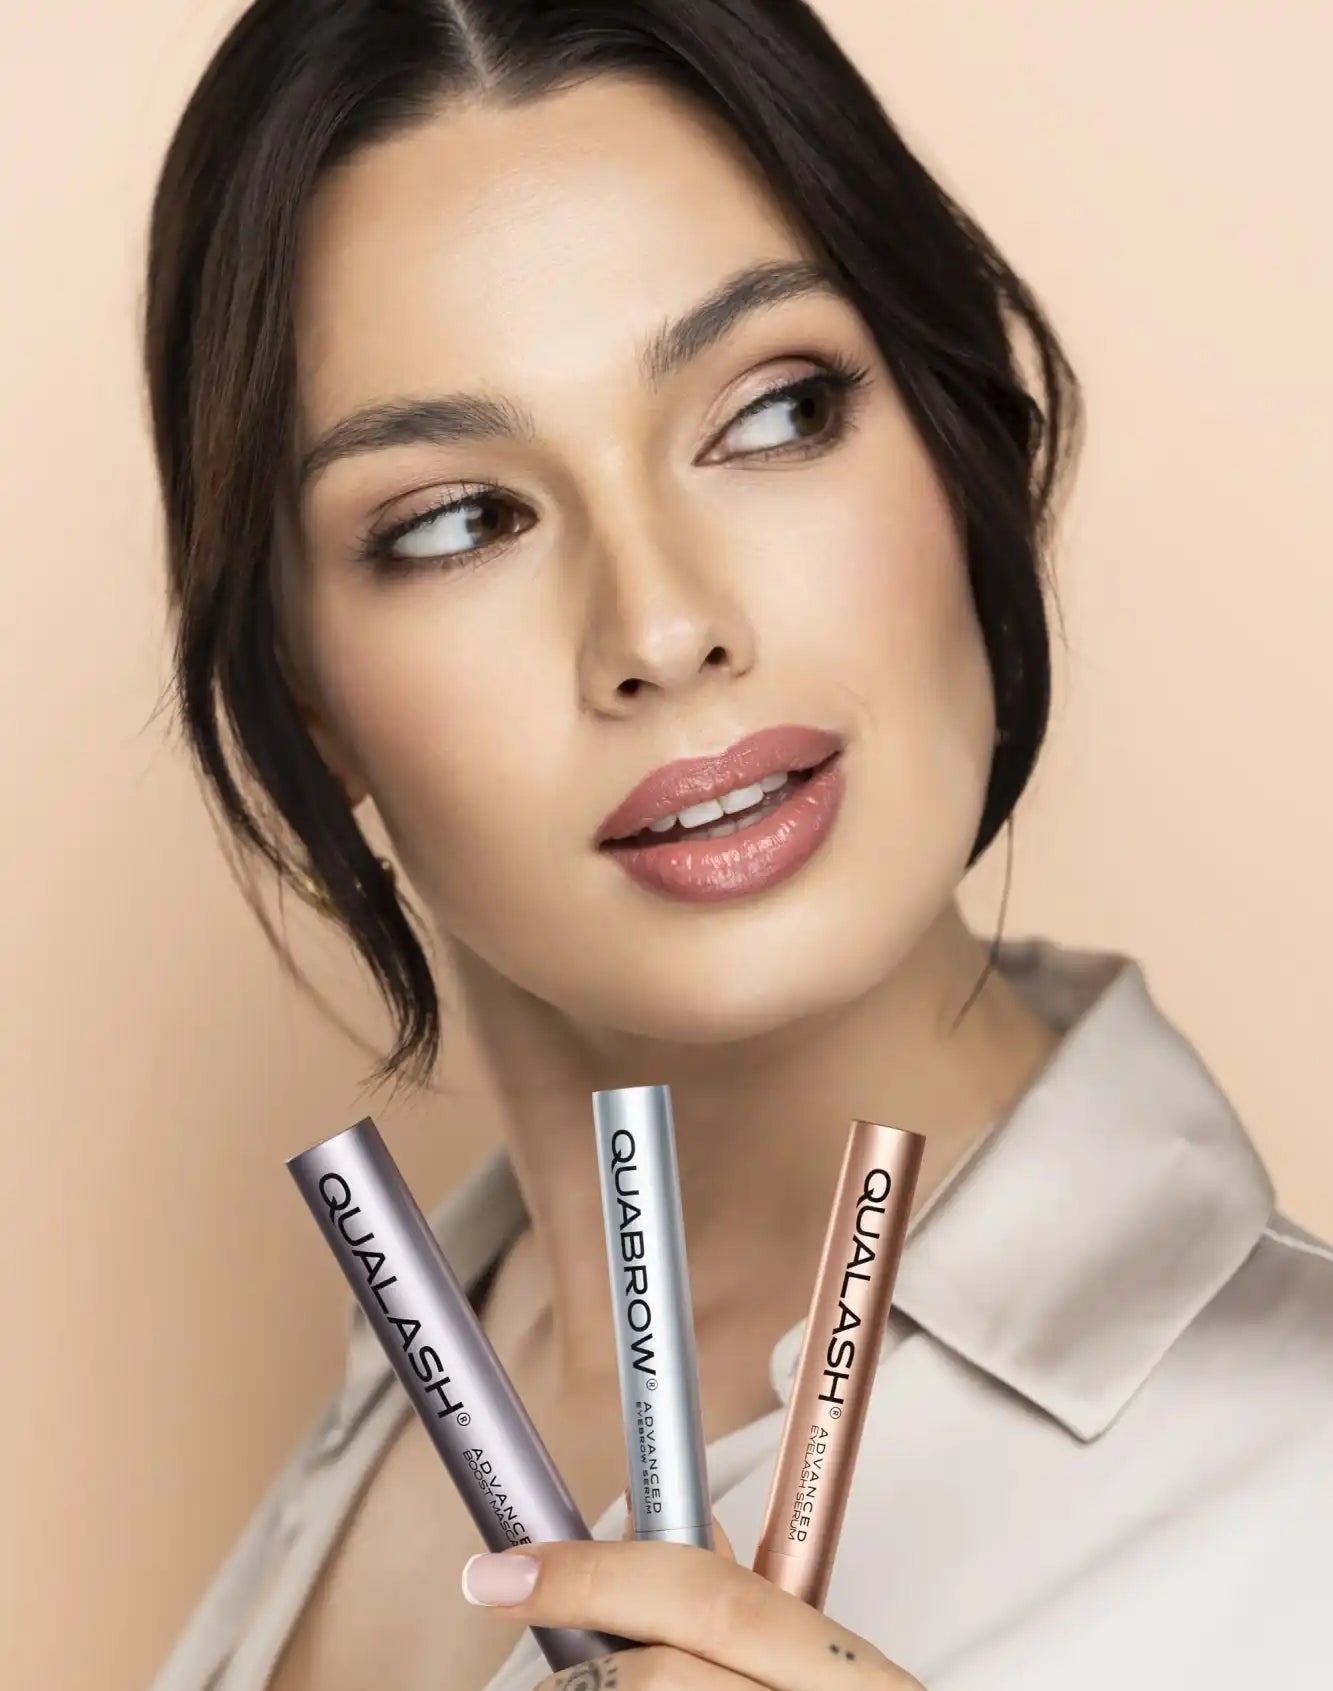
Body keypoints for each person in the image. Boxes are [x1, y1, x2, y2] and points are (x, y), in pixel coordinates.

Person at [141, 3, 1333, 1689]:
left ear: (959, 431)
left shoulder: (1294, 1485)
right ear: (300, 689)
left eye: (772, 414)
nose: (663, 625)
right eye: (461, 520)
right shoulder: (416, 1375)